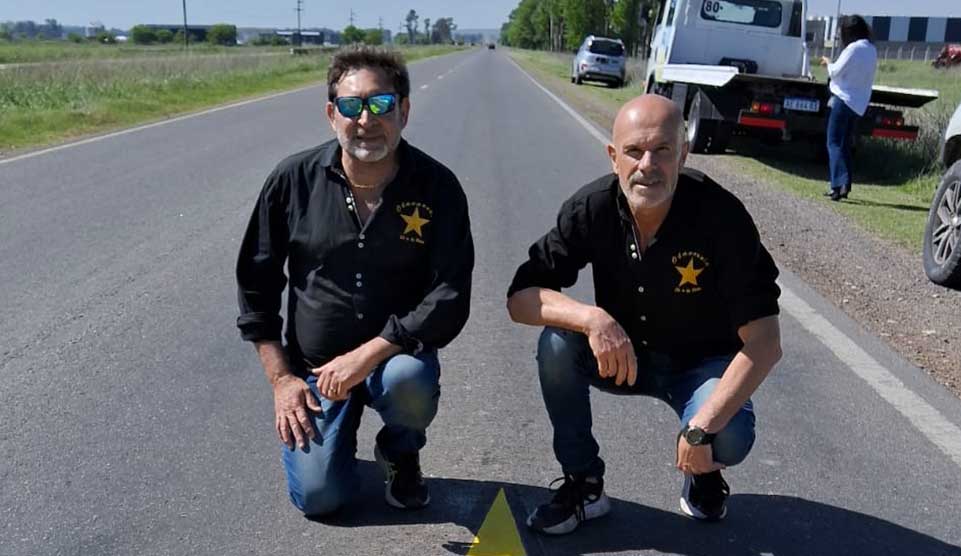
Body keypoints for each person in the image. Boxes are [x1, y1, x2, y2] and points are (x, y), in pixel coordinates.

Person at [506, 95, 782, 535]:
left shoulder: (722, 217)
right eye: (634, 151)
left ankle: (704, 469)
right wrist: (592, 319)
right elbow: (521, 298)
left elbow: (765, 342)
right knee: (556, 342)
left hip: (701, 366)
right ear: (613, 156)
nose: (647, 165)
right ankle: (584, 483)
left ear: (683, 154)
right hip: (625, 358)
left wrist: (701, 429)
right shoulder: (592, 208)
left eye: (662, 151)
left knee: (728, 435)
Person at [236, 45, 474, 516]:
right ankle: (332, 454)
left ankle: (400, 452)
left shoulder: (437, 187)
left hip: (394, 359)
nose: (366, 119)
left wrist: (368, 355)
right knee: (321, 499)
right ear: (332, 115)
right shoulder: (292, 180)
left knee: (409, 382)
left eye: (381, 104)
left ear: (404, 111)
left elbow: (449, 294)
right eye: (351, 105)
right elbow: (256, 285)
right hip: (317, 370)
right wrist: (282, 380)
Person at [820, 15, 877, 201]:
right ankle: (845, 184)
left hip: (843, 100)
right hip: (858, 104)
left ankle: (837, 185)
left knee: (833, 142)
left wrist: (828, 62)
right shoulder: (871, 49)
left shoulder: (853, 48)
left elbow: (836, 71)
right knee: (844, 144)